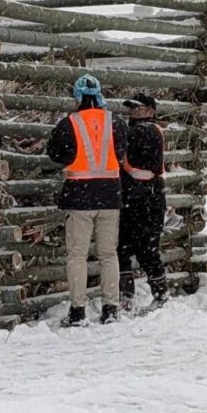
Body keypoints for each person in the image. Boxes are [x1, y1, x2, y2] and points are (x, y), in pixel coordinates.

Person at [47, 74, 128, 326]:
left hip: (79, 196)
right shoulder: (115, 123)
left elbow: (56, 155)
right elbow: (122, 151)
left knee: (77, 256)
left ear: (78, 96)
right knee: (108, 254)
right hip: (110, 196)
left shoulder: (68, 124)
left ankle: (78, 310)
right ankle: (110, 308)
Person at [118, 92, 167, 311]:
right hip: (132, 197)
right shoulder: (133, 131)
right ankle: (126, 294)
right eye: (132, 108)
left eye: (138, 108)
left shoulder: (148, 131)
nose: (134, 111)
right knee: (122, 247)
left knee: (147, 249)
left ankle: (160, 294)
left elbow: (131, 146)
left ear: (151, 111)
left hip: (147, 199)